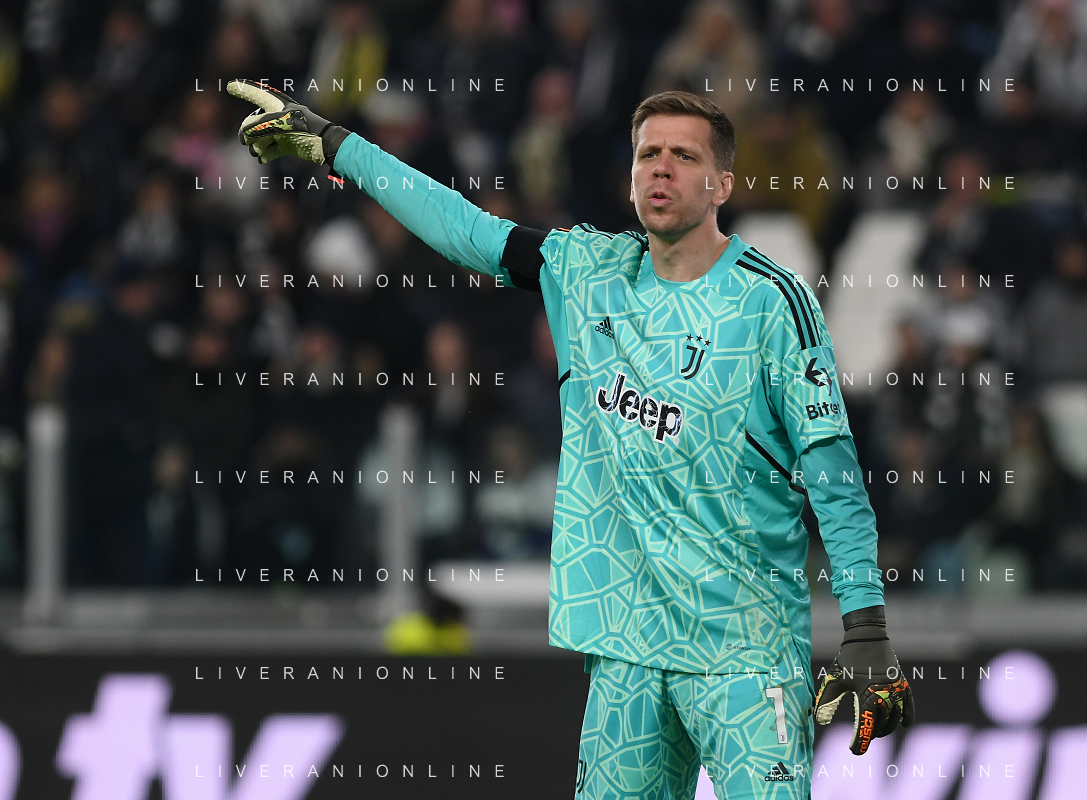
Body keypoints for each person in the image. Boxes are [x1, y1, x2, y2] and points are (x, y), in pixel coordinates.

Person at [227, 80, 913, 798]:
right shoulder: (585, 272)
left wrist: (865, 626)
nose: (661, 168)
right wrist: (338, 145)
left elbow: (833, 474)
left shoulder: (772, 302)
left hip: (744, 649)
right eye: (648, 154)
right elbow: (462, 228)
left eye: (684, 156)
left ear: (722, 184)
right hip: (624, 650)